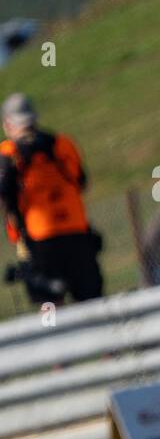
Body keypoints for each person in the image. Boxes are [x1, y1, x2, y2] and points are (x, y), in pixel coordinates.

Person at [0, 93, 103, 305]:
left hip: (38, 240)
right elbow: (82, 183)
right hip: (78, 235)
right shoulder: (62, 144)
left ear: (8, 124)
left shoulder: (8, 153)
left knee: (50, 309)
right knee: (92, 304)